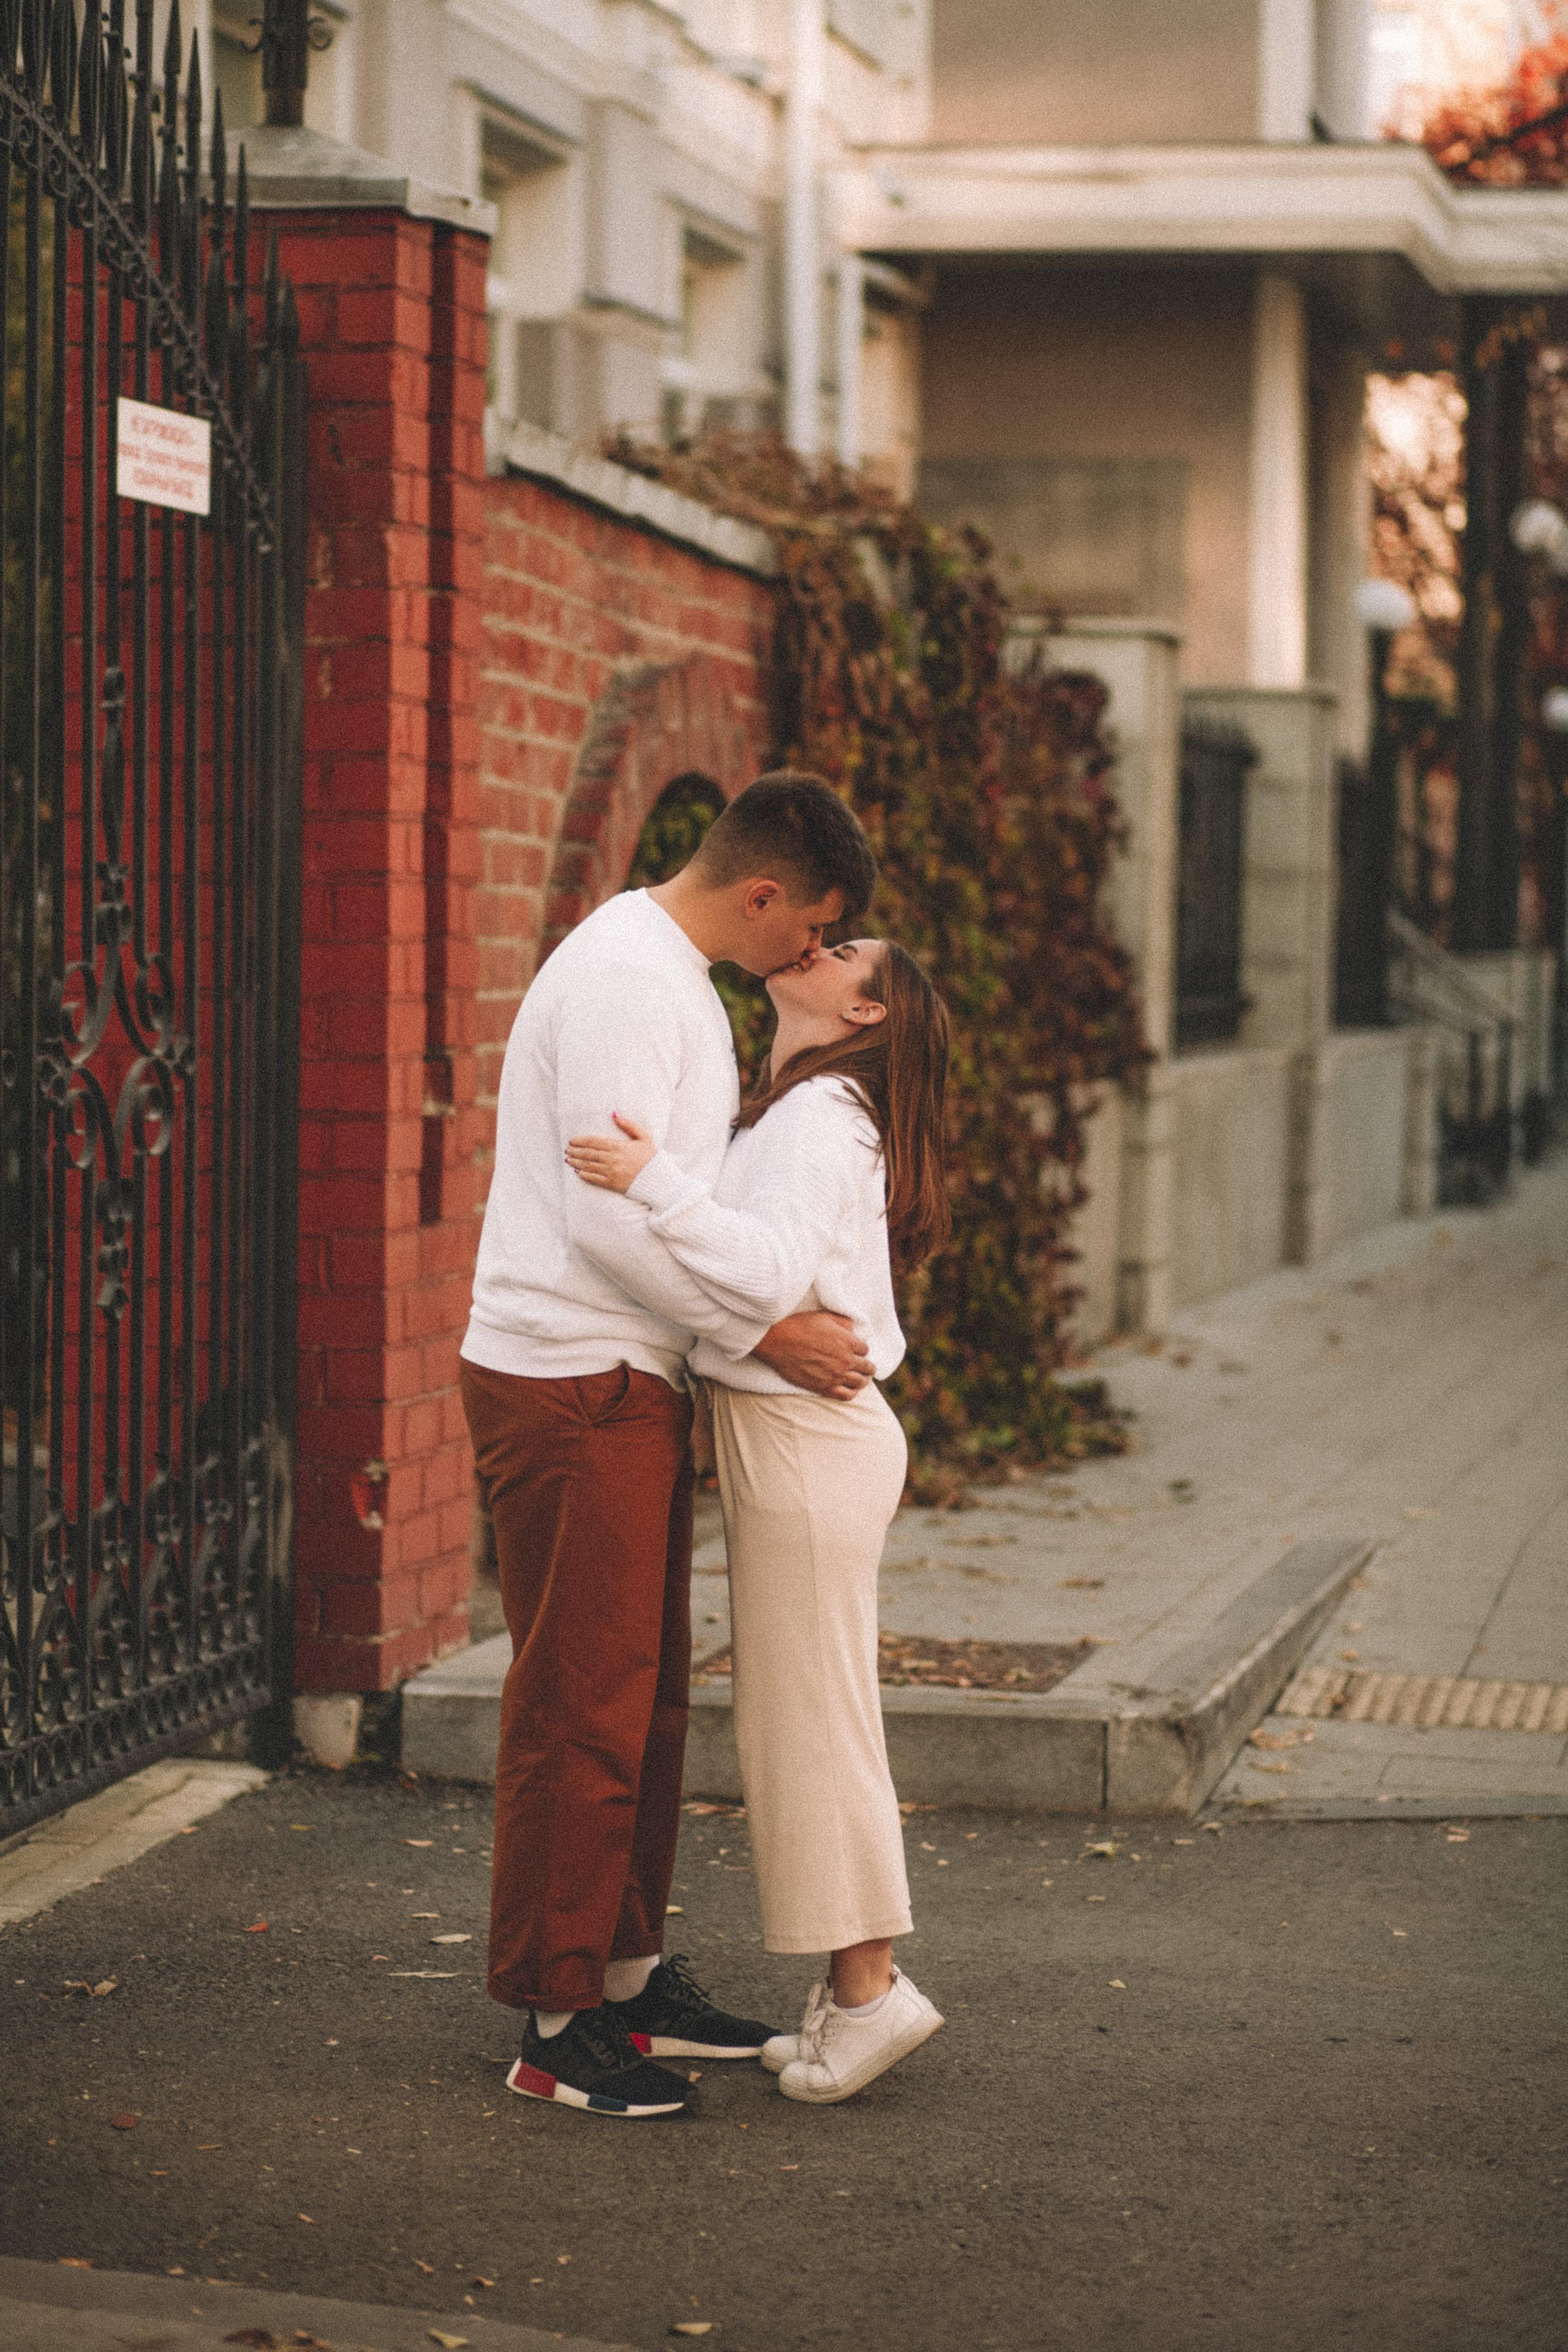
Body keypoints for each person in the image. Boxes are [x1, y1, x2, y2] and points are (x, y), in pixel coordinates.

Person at [459, 772, 878, 2121]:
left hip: (624, 1381)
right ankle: (555, 2020)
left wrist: (739, 1333)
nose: (811, 953)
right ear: (761, 894)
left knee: (640, 1704)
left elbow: (659, 1204)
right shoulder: (632, 983)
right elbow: (608, 1220)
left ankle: (626, 1978)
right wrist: (769, 1332)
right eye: (810, 926)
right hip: (569, 1375)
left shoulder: (674, 979)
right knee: (580, 1705)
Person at [566, 933, 952, 2105]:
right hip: (798, 1438)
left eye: (844, 951)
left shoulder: (823, 1114)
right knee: (808, 1718)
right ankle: (860, 1991)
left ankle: (869, 1996)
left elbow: (767, 1268)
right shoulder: (801, 1106)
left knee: (812, 1725)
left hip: (806, 1443)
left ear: (867, 1011)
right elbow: (762, 1289)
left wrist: (655, 1182)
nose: (815, 947)